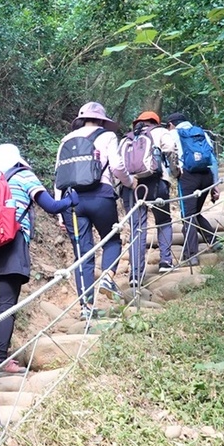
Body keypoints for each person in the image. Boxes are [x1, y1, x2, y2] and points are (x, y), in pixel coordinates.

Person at [0, 143, 78, 372]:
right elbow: (50, 206)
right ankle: (0, 359)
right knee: (7, 302)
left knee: (2, 300)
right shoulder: (24, 175)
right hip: (11, 242)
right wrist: (70, 201)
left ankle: (0, 351)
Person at [53, 102, 132, 317]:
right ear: (102, 120)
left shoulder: (65, 141)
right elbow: (116, 166)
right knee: (112, 239)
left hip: (72, 203)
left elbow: (59, 176)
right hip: (101, 196)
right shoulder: (107, 137)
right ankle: (107, 277)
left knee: (82, 255)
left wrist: (60, 210)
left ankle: (85, 308)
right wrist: (129, 182)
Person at [120, 111, 176, 286]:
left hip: (132, 186)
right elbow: (170, 150)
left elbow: (118, 165)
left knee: (138, 228)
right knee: (164, 221)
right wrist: (175, 172)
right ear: (155, 121)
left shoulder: (126, 138)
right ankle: (165, 262)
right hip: (156, 183)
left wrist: (126, 184)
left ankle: (135, 275)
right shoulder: (160, 132)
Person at [165, 112, 221, 263]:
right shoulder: (201, 132)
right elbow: (213, 160)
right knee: (194, 212)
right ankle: (213, 240)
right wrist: (215, 186)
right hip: (206, 175)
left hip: (188, 177)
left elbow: (170, 156)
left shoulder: (173, 134)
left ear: (171, 124)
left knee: (187, 216)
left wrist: (175, 174)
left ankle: (191, 255)